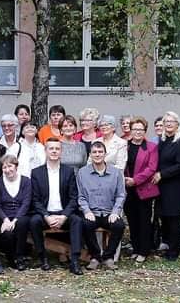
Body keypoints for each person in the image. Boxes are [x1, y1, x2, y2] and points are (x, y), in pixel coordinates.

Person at [30, 138, 85, 274]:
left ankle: (75, 261)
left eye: (57, 149)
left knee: (77, 220)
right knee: (34, 221)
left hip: (63, 213)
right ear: (46, 151)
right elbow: (35, 200)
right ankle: (43, 258)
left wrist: (64, 216)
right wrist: (46, 216)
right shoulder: (36, 172)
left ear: (61, 152)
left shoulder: (68, 171)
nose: (54, 151)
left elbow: (74, 198)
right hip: (45, 213)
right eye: (51, 148)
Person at [77, 141, 127, 270]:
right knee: (85, 224)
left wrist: (115, 212)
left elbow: (121, 195)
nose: (97, 154)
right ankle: (95, 256)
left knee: (119, 225)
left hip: (109, 212)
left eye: (100, 152)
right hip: (92, 212)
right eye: (94, 152)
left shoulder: (116, 173)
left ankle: (108, 257)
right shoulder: (82, 173)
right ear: (90, 154)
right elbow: (81, 196)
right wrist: (87, 211)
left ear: (105, 154)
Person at [153, 111, 180, 261]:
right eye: (166, 121)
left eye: (171, 121)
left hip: (174, 187)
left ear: (177, 124)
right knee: (165, 217)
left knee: (174, 219)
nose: (168, 124)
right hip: (161, 186)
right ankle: (167, 245)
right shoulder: (163, 140)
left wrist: (162, 174)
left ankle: (174, 251)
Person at [123, 117, 158, 263]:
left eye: (141, 129)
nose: (137, 132)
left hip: (143, 189)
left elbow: (151, 168)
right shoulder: (124, 145)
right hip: (127, 189)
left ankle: (144, 250)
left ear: (145, 131)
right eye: (135, 129)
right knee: (132, 220)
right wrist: (125, 179)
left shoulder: (151, 147)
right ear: (130, 130)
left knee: (144, 221)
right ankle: (136, 248)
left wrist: (135, 180)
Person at [0, 155, 33, 270]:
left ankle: (20, 257)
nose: (7, 170)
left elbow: (26, 203)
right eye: (4, 167)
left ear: (16, 166)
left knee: (21, 224)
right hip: (4, 216)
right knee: (7, 233)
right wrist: (5, 220)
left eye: (10, 166)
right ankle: (11, 259)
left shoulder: (26, 181)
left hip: (21, 216)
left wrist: (15, 220)